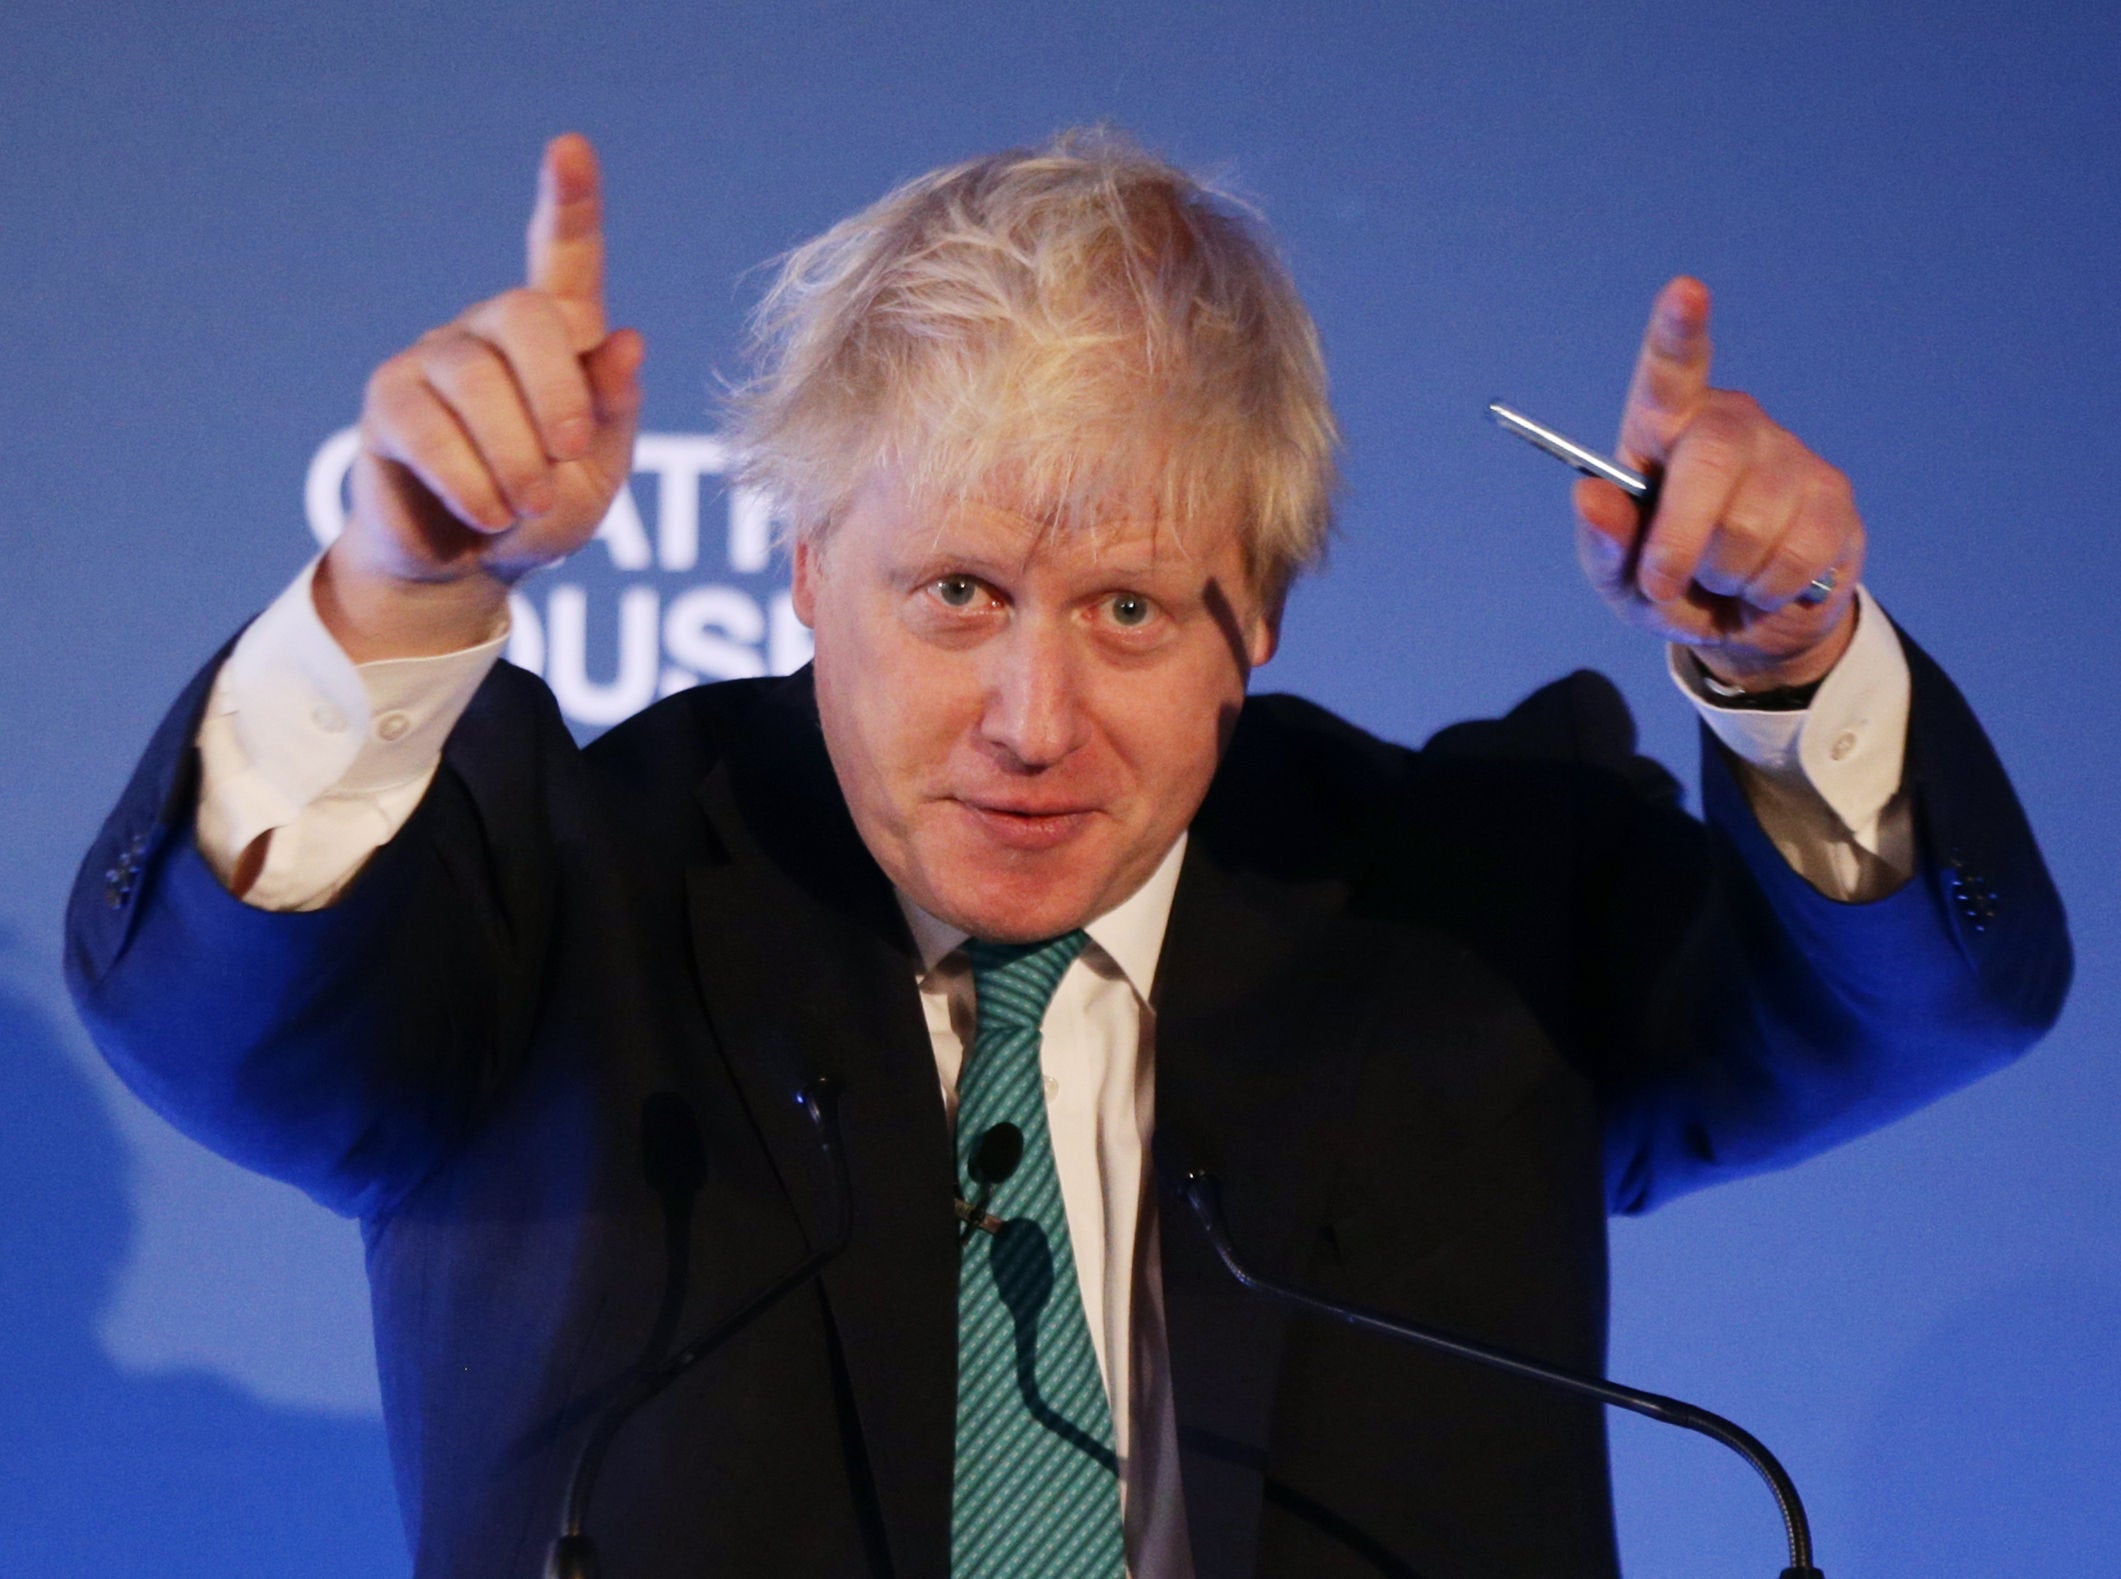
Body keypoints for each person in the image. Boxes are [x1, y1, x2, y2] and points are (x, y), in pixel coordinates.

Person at [67, 129, 2068, 1577]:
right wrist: (399, 589)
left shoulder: (1464, 901)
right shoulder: (565, 893)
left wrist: (1785, 652)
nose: (1033, 716)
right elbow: (209, 1011)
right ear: (801, 574)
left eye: (1127, 610)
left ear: (1258, 617)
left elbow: (1930, 990)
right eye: (953, 592)